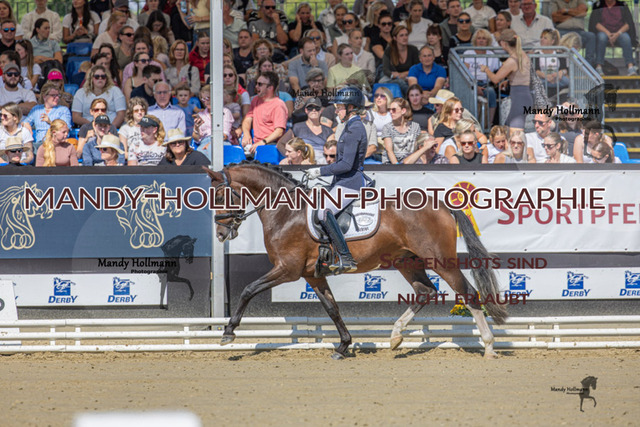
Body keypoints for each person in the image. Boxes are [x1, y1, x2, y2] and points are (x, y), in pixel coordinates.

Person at [304, 86, 369, 274]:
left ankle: (346, 257)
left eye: (340, 107)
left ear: (351, 108)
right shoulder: (349, 126)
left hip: (350, 183)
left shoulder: (355, 129)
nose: (337, 111)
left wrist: (319, 171)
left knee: (323, 212)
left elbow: (346, 165)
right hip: (342, 181)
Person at [480, 29, 531, 132]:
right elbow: (521, 73)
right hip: (524, 95)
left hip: (519, 99)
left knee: (515, 133)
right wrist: (508, 80)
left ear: (503, 43)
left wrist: (486, 69)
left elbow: (495, 79)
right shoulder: (522, 54)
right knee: (508, 129)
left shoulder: (511, 61)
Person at [241, 71, 288, 155]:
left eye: (260, 84)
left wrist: (263, 142)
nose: (256, 86)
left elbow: (279, 131)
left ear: (270, 87)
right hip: (256, 144)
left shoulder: (278, 105)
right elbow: (247, 119)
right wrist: (246, 134)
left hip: (271, 145)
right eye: (256, 83)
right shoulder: (255, 100)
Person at [590, 0, 638, 76]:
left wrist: (617, 34)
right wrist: (608, 34)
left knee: (626, 38)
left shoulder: (623, 5)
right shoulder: (598, 5)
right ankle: (598, 66)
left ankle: (630, 67)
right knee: (601, 37)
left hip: (619, 32)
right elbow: (595, 23)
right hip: (604, 32)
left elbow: (628, 24)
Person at [464, 29, 499, 124]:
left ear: (488, 41)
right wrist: (475, 87)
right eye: (479, 38)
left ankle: (489, 124)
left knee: (491, 92)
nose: (481, 40)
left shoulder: (491, 54)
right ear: (475, 40)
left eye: (484, 38)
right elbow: (464, 73)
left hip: (486, 84)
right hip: (469, 84)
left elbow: (499, 70)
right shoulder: (468, 53)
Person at [23, 82, 72, 148]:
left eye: (58, 95)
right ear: (44, 96)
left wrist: (50, 122)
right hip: (40, 144)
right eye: (53, 95)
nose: (57, 98)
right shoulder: (36, 109)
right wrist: (25, 124)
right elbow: (24, 122)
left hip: (57, 144)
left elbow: (66, 129)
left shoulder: (63, 110)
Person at [549, 0, 595, 66]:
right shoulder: (555, 1)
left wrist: (566, 11)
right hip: (562, 31)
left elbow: (583, 12)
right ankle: (560, 64)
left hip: (579, 31)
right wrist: (576, 12)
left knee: (591, 36)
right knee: (555, 37)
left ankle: (588, 65)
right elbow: (555, 18)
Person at [381, 97, 421, 164]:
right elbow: (389, 151)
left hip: (410, 164)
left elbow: (417, 149)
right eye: (389, 109)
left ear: (403, 111)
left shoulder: (415, 127)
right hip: (391, 165)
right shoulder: (387, 127)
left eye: (393, 110)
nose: (390, 112)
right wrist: (397, 167)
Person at [381, 25, 419, 95]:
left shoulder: (413, 49)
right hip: (394, 78)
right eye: (401, 35)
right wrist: (395, 76)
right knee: (399, 82)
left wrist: (404, 74)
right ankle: (410, 95)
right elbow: (385, 69)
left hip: (409, 76)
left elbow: (417, 67)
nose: (405, 38)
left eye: (406, 35)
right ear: (395, 38)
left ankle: (411, 95)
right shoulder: (389, 50)